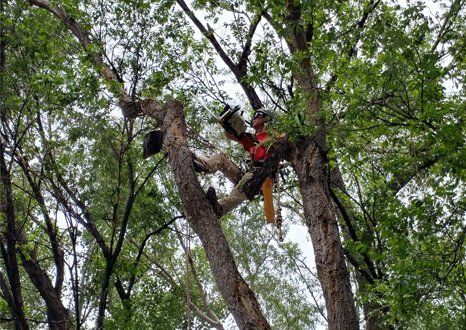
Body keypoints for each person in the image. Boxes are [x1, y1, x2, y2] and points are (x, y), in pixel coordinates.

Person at [195, 108, 275, 221]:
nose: (254, 117)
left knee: (243, 186)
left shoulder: (274, 135)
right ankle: (202, 165)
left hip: (260, 178)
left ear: (267, 118)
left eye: (258, 114)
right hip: (248, 173)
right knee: (221, 159)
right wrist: (228, 125)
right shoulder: (253, 138)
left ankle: (219, 208)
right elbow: (232, 136)